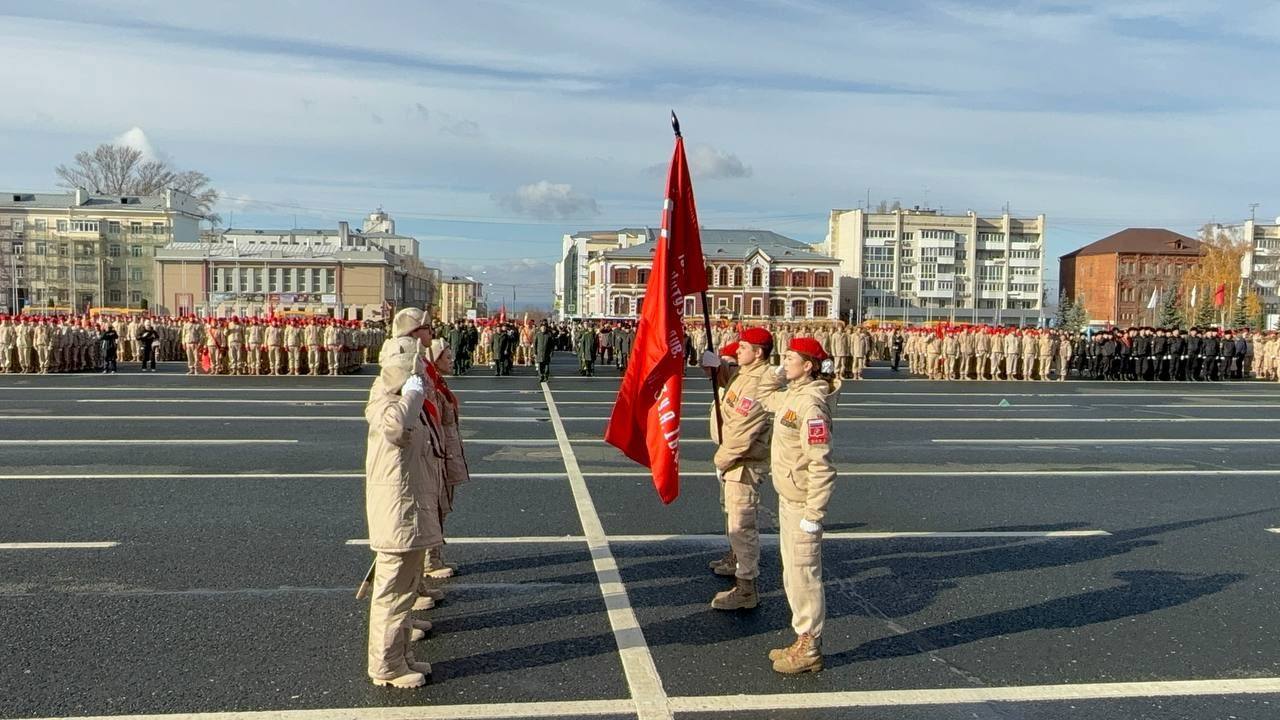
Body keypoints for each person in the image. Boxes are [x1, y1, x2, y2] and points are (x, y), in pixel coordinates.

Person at [751, 336, 839, 674]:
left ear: (809, 366)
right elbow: (762, 396)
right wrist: (776, 371)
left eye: (790, 358)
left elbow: (822, 465)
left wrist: (815, 515)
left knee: (804, 573)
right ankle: (802, 635)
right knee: (792, 573)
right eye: (783, 357)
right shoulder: (792, 395)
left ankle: (810, 647)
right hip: (789, 499)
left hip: (804, 503)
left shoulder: (811, 406)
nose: (783, 362)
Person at [363, 346, 437, 689]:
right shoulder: (389, 405)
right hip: (398, 512)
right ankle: (386, 667)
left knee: (404, 594)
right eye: (416, 373)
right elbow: (397, 429)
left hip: (409, 510)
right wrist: (411, 397)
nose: (421, 379)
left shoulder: (397, 401)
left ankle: (400, 656)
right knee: (392, 595)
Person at [699, 327, 775, 612]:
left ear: (758, 353)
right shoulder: (744, 375)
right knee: (734, 521)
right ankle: (736, 561)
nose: (737, 350)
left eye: (743, 347)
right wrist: (714, 366)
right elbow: (728, 380)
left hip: (742, 464)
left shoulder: (758, 384)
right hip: (733, 462)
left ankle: (746, 588)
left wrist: (720, 460)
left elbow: (743, 433)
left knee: (742, 525)